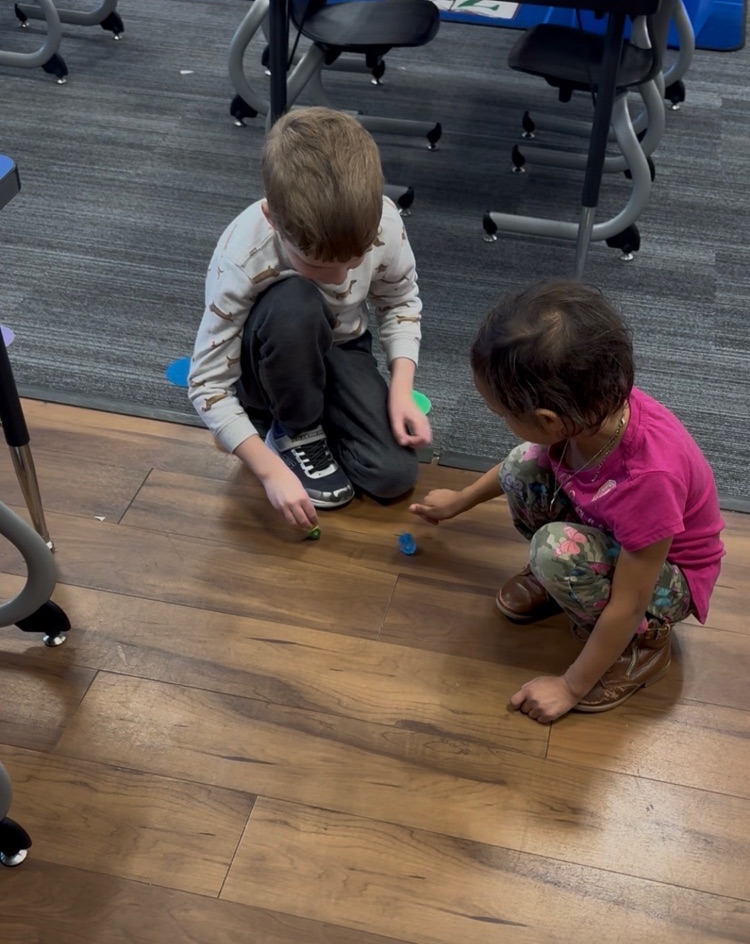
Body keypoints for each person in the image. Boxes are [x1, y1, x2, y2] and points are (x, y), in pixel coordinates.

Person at [410, 281, 725, 723]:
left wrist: (570, 686)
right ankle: (562, 582)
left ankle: (645, 645)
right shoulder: (590, 409)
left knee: (554, 550)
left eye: (503, 415)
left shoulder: (649, 478)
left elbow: (630, 602)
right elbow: (524, 462)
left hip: (666, 579)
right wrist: (459, 501)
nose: (502, 421)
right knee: (523, 464)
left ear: (549, 420)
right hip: (612, 529)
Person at [189, 107, 431, 531]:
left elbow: (399, 302)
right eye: (317, 265)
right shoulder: (242, 258)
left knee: (392, 476)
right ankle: (293, 428)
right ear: (272, 219)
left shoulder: (383, 222)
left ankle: (302, 417)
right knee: (297, 300)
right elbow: (206, 384)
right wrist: (269, 472)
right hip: (270, 351)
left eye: (353, 261)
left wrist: (401, 389)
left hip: (340, 344)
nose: (339, 279)